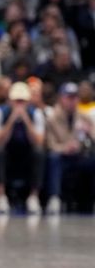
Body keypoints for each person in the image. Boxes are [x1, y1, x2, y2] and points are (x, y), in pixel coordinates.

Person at [0, 81, 45, 214]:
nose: (19, 104)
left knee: (39, 152)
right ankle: (1, 197)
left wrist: (26, 120)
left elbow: (38, 141)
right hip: (8, 154)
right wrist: (11, 120)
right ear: (9, 100)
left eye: (22, 101)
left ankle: (33, 197)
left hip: (26, 156)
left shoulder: (35, 114)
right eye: (16, 101)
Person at [45, 83, 95, 214]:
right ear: (61, 98)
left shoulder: (84, 117)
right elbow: (50, 144)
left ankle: (90, 200)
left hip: (79, 155)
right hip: (62, 156)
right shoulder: (52, 118)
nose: (72, 101)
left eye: (75, 98)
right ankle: (54, 198)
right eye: (69, 97)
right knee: (53, 158)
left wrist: (89, 131)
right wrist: (65, 148)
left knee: (92, 161)